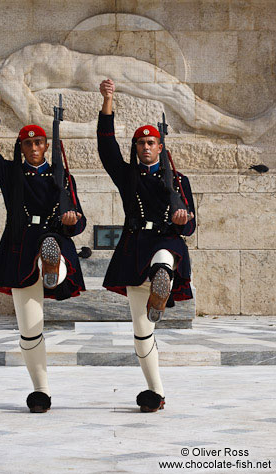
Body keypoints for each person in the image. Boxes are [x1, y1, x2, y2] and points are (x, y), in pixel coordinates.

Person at [0, 86, 86, 413]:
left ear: (46, 145)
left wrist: (70, 220)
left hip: (53, 239)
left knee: (53, 245)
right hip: (19, 248)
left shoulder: (62, 177)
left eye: (39, 142)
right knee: (29, 329)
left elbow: (79, 224)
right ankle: (41, 391)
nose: (34, 147)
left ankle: (52, 268)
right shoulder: (11, 174)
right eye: (28, 143)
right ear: (21, 147)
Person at [97, 79, 196, 413]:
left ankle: (162, 278)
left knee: (165, 257)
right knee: (141, 331)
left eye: (151, 142)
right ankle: (156, 391)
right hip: (134, 246)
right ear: (136, 148)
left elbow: (192, 226)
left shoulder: (179, 181)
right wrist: (107, 102)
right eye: (140, 143)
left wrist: (183, 220)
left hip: (166, 240)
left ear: (160, 146)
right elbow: (106, 147)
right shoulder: (128, 177)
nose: (146, 147)